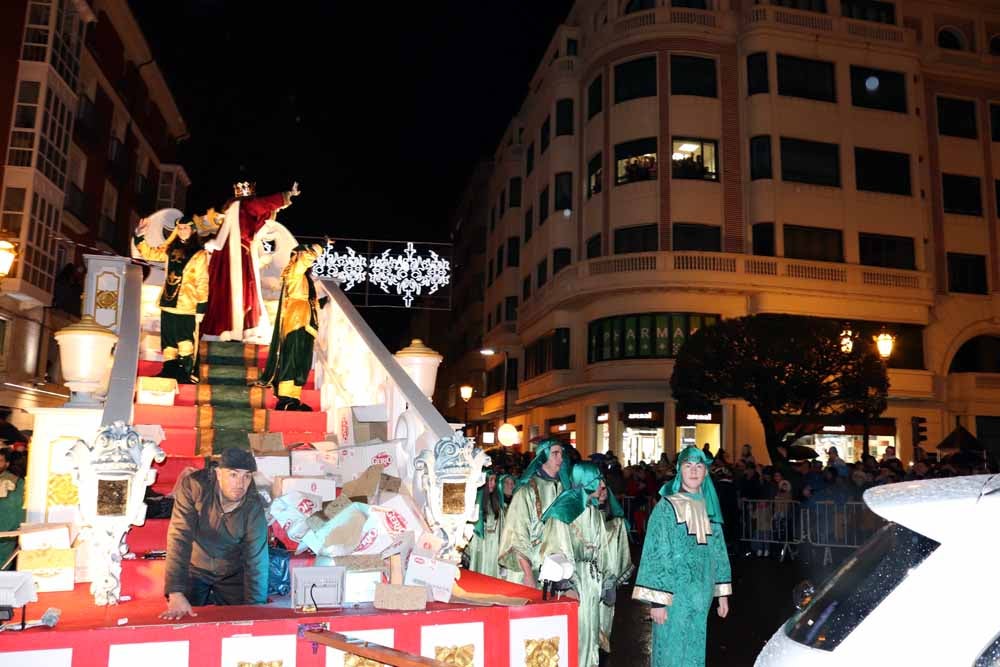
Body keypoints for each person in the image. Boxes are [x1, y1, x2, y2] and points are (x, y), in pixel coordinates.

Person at [633, 445, 732, 667]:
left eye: (699, 466)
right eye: (688, 466)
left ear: (706, 472)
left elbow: (718, 552)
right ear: (680, 470)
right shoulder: (667, 507)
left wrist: (722, 593)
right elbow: (656, 552)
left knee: (694, 652)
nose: (694, 471)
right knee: (671, 653)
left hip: (702, 596)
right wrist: (657, 602)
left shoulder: (709, 508)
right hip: (674, 598)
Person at [540, 463, 632, 667]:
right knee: (576, 638)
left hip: (592, 585)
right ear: (586, 482)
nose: (602, 485)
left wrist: (608, 579)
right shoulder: (564, 511)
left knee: (591, 638)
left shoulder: (593, 511)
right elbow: (555, 548)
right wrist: (567, 584)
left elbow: (603, 550)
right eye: (598, 480)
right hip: (575, 584)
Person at [161, 448, 268, 619]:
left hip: (232, 569)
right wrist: (175, 592)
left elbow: (257, 558)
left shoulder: (253, 505)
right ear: (218, 473)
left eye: (247, 476)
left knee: (242, 618)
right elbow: (179, 536)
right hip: (195, 567)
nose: (240, 484)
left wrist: (255, 607)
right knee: (183, 616)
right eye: (233, 475)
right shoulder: (195, 486)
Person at [201, 182, 300, 341]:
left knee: (226, 288)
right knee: (243, 288)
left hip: (227, 254)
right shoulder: (244, 206)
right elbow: (264, 204)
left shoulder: (233, 210)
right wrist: (286, 195)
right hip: (238, 254)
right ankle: (240, 326)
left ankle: (227, 326)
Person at [133, 217, 209, 383]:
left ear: (193, 230)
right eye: (179, 228)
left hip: (187, 304)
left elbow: (202, 281)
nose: (182, 231)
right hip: (168, 302)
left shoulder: (199, 254)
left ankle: (185, 373)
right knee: (168, 340)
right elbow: (150, 253)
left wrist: (201, 306)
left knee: (185, 340)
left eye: (185, 228)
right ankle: (169, 370)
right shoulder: (170, 248)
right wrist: (139, 236)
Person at [498, 438, 572, 587]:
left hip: (555, 572)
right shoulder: (526, 492)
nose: (560, 458)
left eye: (561, 454)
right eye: (555, 453)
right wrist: (528, 575)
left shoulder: (563, 490)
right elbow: (518, 535)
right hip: (528, 571)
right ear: (543, 456)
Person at [258, 243, 323, 410]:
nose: (310, 261)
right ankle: (285, 398)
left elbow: (309, 299)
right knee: (292, 358)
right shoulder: (295, 271)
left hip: (306, 322)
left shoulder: (304, 278)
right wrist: (318, 248)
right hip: (296, 321)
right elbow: (304, 260)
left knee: (302, 360)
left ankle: (294, 397)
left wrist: (319, 303)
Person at [466, 471, 506, 577]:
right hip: (479, 547)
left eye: (494, 480)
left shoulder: (497, 504)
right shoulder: (474, 502)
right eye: (490, 480)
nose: (493, 483)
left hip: (494, 549)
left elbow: (502, 529)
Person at [0, 448, 25, 569]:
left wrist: (13, 529)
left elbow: (18, 509)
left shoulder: (16, 482)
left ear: (7, 464)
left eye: (0, 461)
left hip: (5, 533)